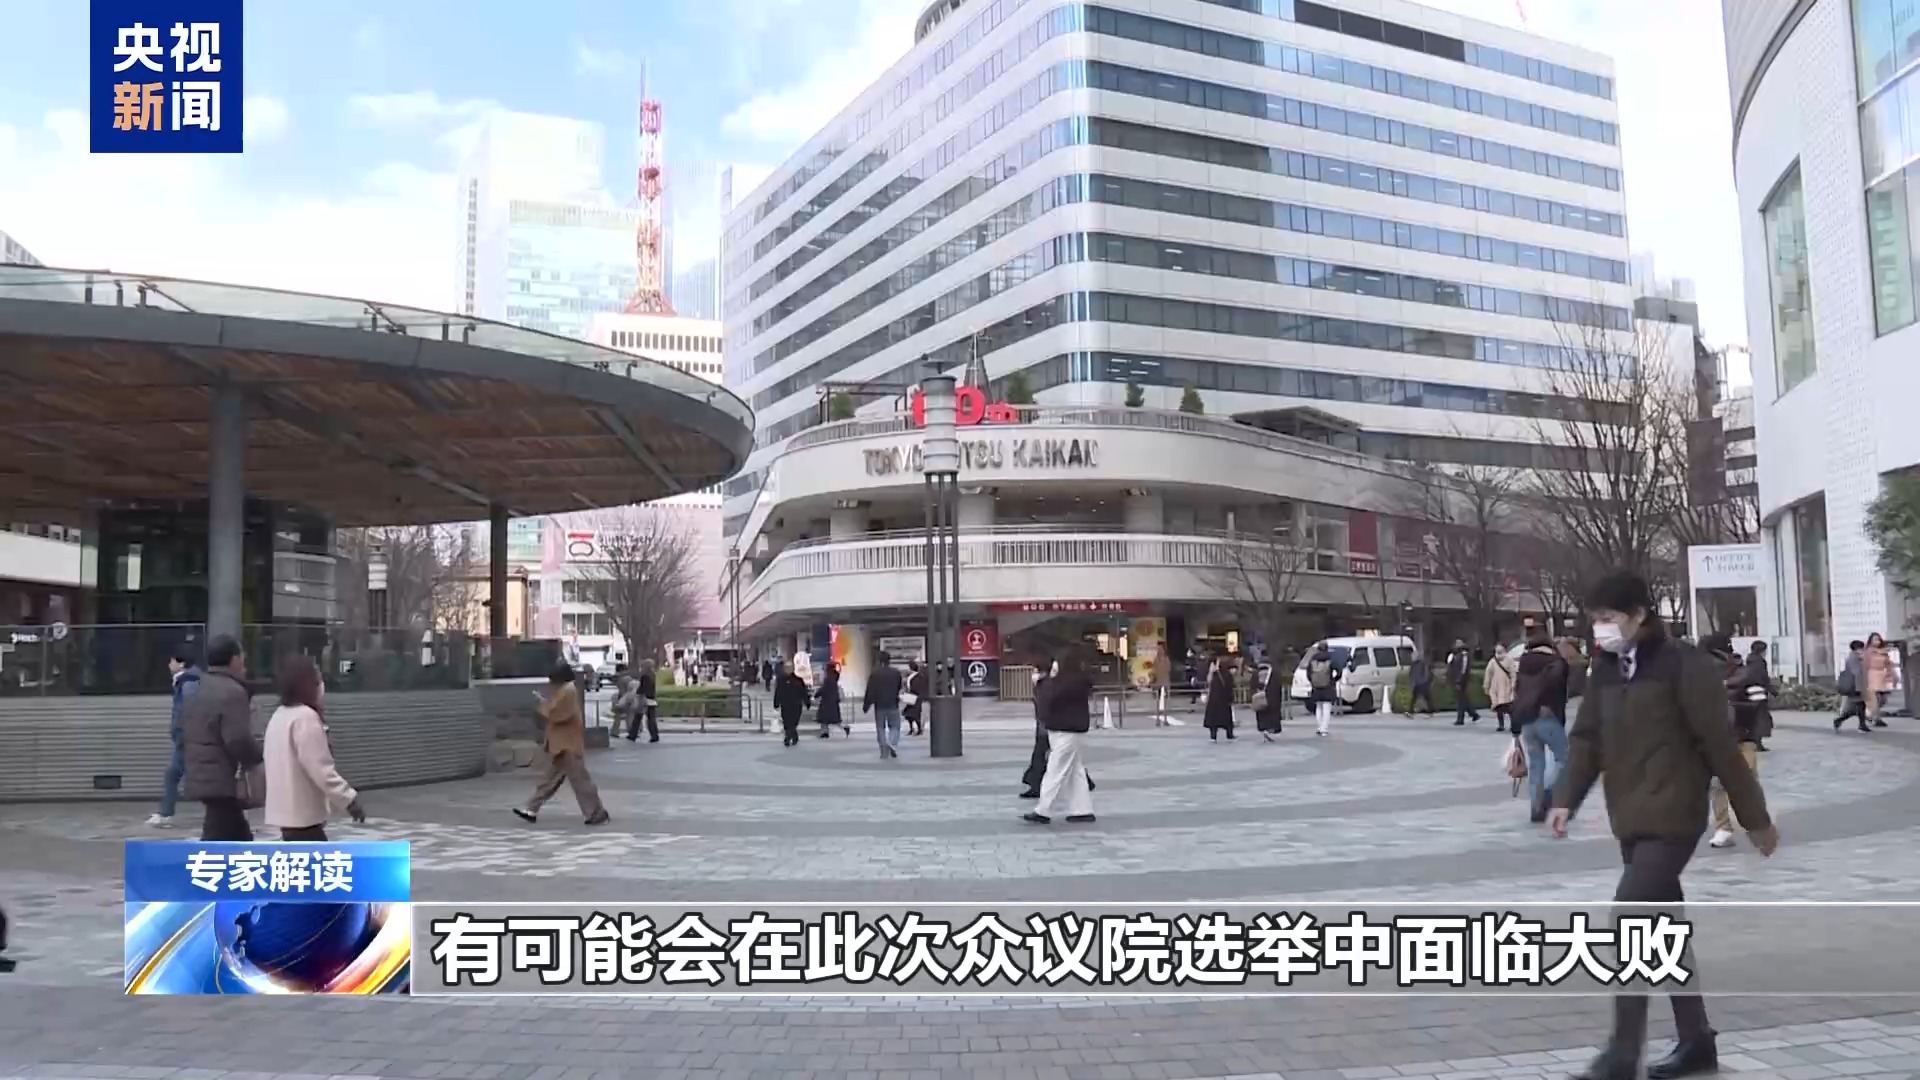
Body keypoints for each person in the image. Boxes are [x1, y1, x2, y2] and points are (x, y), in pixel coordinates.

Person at [1550, 572, 1775, 1080]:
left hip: (1674, 814)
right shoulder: (1606, 669)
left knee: (1629, 917)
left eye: (1609, 618)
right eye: (1595, 620)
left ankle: (1622, 1052)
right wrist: (1565, 798)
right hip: (1629, 815)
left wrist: (1754, 817)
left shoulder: (1683, 665)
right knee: (1660, 927)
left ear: (1638, 615)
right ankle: (1696, 1041)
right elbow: (1586, 738)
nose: (1601, 628)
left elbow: (1719, 744)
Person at [263, 654, 364, 842]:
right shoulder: (305, 717)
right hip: (303, 817)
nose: (320, 683)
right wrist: (348, 799)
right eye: (317, 677)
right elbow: (321, 768)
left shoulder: (279, 715)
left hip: (287, 815)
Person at [180, 635, 260, 842]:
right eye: (242, 658)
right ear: (234, 659)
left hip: (202, 772)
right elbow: (237, 739)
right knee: (217, 836)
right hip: (221, 777)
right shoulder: (232, 692)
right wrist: (257, 757)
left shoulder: (198, 688)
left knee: (237, 835)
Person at [513, 661, 609, 825]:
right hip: (562, 744)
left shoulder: (567, 691)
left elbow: (559, 714)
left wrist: (543, 705)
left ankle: (596, 812)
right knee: (551, 780)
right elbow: (557, 710)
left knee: (578, 781)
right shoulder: (566, 690)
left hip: (567, 744)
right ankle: (531, 808)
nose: (551, 683)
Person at [1709, 636, 1772, 850]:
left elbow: (1758, 703)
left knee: (1745, 781)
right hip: (1720, 738)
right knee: (1719, 784)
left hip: (1741, 736)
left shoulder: (1744, 674)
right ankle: (1725, 828)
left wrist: (1731, 706)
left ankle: (1756, 824)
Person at [1023, 650, 1095, 825]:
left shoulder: (1070, 683)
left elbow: (1049, 699)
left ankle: (1043, 810)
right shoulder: (1071, 681)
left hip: (1066, 730)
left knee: (1055, 770)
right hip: (1065, 729)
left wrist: (1042, 683)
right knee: (1075, 771)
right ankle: (1082, 809)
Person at [1509, 632, 1572, 823]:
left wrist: (1515, 728)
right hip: (1548, 716)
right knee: (1563, 759)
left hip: (1527, 719)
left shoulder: (1523, 664)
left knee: (1536, 765)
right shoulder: (1556, 663)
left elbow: (1517, 694)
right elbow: (1559, 689)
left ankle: (1536, 808)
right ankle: (1548, 793)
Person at [147, 644, 203, 828]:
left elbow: (188, 712)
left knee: (177, 775)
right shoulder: (185, 682)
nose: (169, 664)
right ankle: (165, 813)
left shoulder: (189, 684)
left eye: (172, 661)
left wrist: (181, 734)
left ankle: (165, 814)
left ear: (181, 663)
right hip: (186, 739)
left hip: (186, 739)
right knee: (177, 775)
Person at [863, 650, 905, 759]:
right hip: (893, 703)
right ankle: (892, 742)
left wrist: (866, 705)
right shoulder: (896, 673)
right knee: (895, 726)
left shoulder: (875, 674)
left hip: (879, 704)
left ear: (879, 660)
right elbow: (899, 687)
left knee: (880, 727)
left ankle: (883, 748)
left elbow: (870, 690)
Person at [1301, 642, 1340, 737]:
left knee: (1318, 707)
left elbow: (1308, 673)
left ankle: (1319, 727)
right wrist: (1334, 680)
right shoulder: (1330, 658)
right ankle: (1324, 729)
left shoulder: (1313, 659)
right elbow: (1339, 670)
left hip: (1316, 687)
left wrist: (1312, 682)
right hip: (1328, 686)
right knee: (1327, 708)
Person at [1836, 639, 1872, 732]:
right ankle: (1860, 725)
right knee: (1859, 706)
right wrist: (1859, 688)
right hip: (1855, 686)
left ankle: (1860, 724)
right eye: (1861, 648)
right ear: (1856, 649)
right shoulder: (1854, 658)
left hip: (1856, 685)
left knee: (1858, 706)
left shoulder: (1855, 657)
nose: (1862, 650)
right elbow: (1856, 673)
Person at [774, 662, 811, 746]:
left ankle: (789, 736)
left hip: (796, 705)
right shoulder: (781, 680)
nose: (787, 670)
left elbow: (803, 693)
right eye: (786, 668)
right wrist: (776, 703)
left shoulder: (798, 680)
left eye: (789, 668)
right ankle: (792, 736)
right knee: (787, 722)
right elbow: (778, 692)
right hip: (785, 705)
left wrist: (807, 702)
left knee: (793, 722)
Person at [1485, 639, 1517, 733]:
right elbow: (1488, 674)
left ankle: (1513, 724)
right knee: (1498, 706)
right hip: (1496, 687)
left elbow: (1513, 673)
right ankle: (1501, 725)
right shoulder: (1492, 661)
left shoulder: (1509, 660)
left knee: (1509, 707)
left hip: (1507, 686)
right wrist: (1487, 686)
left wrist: (1513, 684)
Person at [1203, 656, 1237, 741]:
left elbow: (1208, 681)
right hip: (1224, 699)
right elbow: (1230, 687)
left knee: (1214, 719)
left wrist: (1211, 672)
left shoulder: (1216, 674)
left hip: (1214, 699)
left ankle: (1214, 735)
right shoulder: (1227, 674)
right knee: (1226, 719)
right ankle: (1229, 734)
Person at [1866, 632, 1896, 728]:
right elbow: (1864, 665)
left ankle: (1871, 714)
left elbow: (1888, 664)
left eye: (1878, 639)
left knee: (1883, 699)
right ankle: (1875, 717)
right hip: (1872, 675)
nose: (1877, 641)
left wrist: (1892, 674)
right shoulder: (1868, 652)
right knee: (1876, 698)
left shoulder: (1884, 652)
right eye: (1875, 639)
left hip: (1882, 676)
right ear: (1870, 641)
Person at [1447, 640, 1480, 725]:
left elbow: (1464, 669)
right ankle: (1473, 714)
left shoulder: (1464, 655)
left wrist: (1459, 680)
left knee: (1460, 700)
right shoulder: (1454, 655)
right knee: (1463, 699)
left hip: (1461, 681)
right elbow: (1450, 667)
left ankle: (1460, 719)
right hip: (1455, 680)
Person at [1255, 657, 1286, 740]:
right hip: (1273, 696)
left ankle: (1263, 728)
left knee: (1262, 712)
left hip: (1261, 695)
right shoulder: (1275, 671)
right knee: (1273, 712)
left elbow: (1255, 683)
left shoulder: (1258, 671)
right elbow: (1278, 683)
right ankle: (1272, 728)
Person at [628, 659, 659, 743]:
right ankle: (654, 735)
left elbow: (643, 688)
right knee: (650, 718)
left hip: (644, 698)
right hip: (651, 699)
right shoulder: (653, 675)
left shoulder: (645, 676)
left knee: (638, 717)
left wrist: (639, 694)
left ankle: (633, 734)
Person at [814, 663, 843, 740]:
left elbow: (824, 689)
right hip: (833, 701)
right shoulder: (834, 677)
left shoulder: (828, 678)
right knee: (832, 719)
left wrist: (817, 694)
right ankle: (843, 728)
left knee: (824, 718)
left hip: (826, 701)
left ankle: (824, 732)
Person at [610, 670, 638, 741]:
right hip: (628, 700)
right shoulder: (630, 681)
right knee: (630, 717)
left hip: (623, 700)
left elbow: (621, 692)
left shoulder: (622, 681)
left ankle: (615, 731)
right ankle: (631, 731)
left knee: (618, 717)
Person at [903, 661, 927, 736]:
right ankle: (912, 728)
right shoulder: (910, 676)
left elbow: (916, 687)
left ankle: (919, 729)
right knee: (908, 714)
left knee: (915, 714)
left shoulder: (918, 677)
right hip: (911, 697)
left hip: (916, 697)